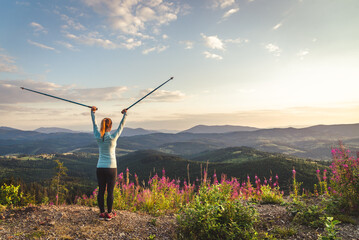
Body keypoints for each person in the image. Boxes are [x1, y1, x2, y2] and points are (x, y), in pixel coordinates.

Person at [91, 106, 127, 221]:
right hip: (111, 168)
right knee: (110, 191)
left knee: (101, 190)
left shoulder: (98, 137)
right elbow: (121, 127)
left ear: (102, 126)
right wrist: (125, 114)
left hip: (100, 167)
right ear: (110, 127)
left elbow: (94, 125)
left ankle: (102, 213)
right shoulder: (113, 138)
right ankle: (109, 213)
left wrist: (93, 113)